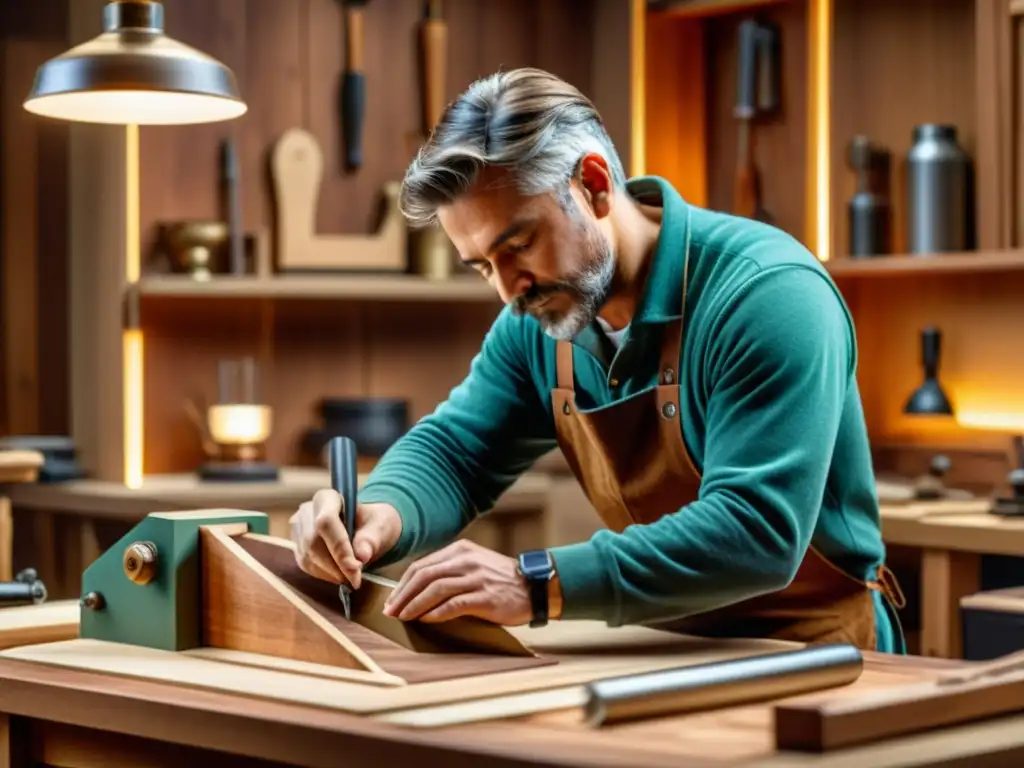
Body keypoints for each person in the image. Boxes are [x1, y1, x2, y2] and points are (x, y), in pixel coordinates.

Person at [290, 67, 906, 653]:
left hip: (818, 653)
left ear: (593, 184)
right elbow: (458, 453)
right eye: (481, 266)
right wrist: (383, 513)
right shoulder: (536, 323)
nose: (508, 290)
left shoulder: (768, 294)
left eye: (519, 245)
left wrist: (536, 582)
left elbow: (755, 532)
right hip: (656, 651)